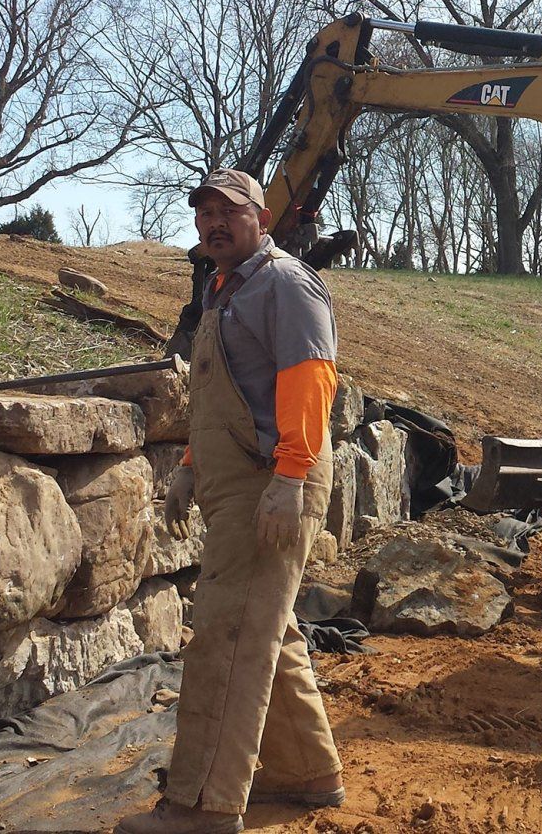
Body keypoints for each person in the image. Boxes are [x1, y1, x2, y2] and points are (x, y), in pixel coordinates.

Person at [117, 169, 343, 834]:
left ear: (262, 217)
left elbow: (311, 386)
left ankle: (201, 805)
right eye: (205, 213)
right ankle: (307, 772)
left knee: (226, 636)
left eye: (230, 212)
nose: (215, 223)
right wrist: (189, 464)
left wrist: (290, 478)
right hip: (237, 479)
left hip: (270, 480)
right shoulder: (223, 287)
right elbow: (226, 395)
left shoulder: (286, 283)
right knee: (265, 626)